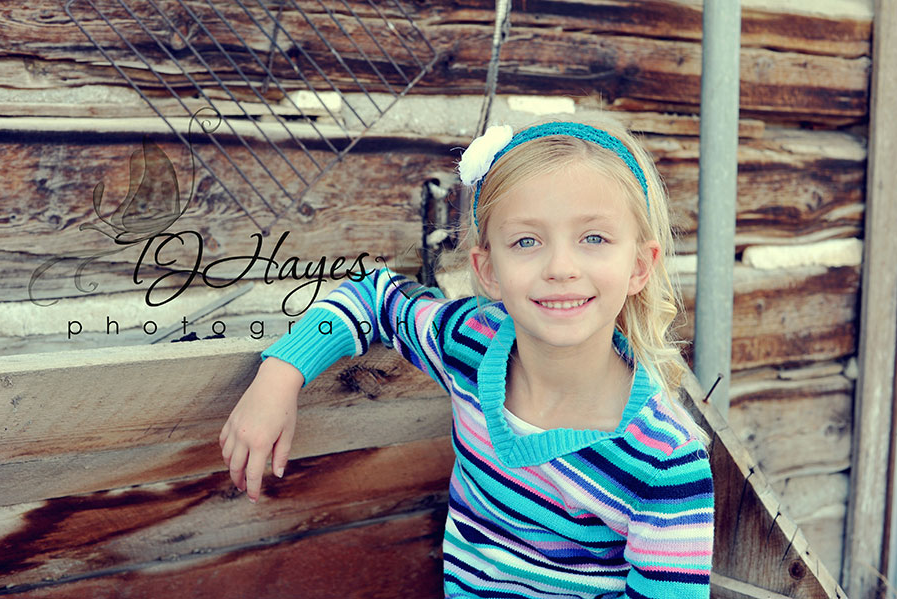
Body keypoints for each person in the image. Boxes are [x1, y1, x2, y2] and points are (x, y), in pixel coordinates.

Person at [219, 114, 715, 598]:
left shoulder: (664, 460)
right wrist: (280, 374)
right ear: (488, 270)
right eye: (526, 240)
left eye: (594, 238)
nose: (561, 267)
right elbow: (373, 295)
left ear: (640, 266)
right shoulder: (471, 344)